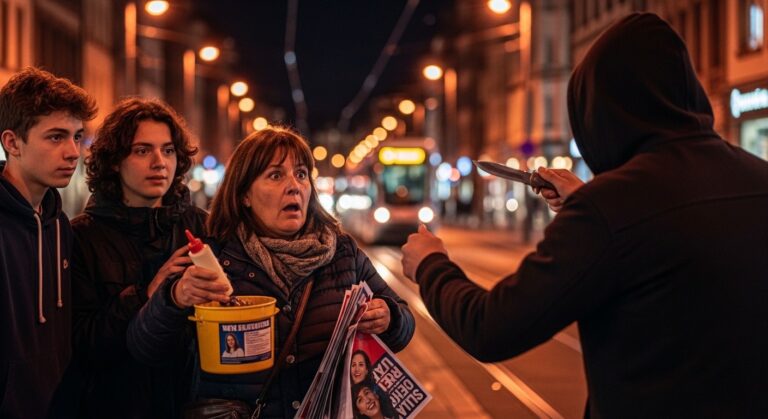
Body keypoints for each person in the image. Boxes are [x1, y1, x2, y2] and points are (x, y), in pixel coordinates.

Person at [401, 13, 768, 417]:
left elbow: (491, 328)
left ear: (600, 113)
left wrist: (431, 266)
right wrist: (592, 199)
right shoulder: (758, 177)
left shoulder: (610, 208)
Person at [127, 126, 415, 418]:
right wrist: (174, 299)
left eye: (301, 174)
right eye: (276, 175)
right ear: (244, 195)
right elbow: (145, 349)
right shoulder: (211, 259)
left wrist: (389, 317)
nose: (294, 186)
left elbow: (403, 327)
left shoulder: (343, 253)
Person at [69, 97, 206, 418]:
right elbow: (81, 343)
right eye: (142, 151)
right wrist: (148, 293)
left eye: (168, 150)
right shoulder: (81, 237)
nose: (159, 162)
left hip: (193, 405)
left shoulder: (202, 226)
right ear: (115, 160)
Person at [0, 67, 97, 418]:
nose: (73, 152)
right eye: (56, 137)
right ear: (12, 142)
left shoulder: (59, 225)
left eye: (77, 136)